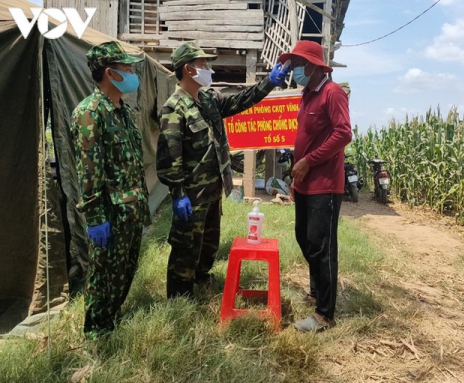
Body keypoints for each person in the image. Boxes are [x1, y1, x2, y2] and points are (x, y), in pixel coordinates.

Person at [156, 42, 290, 298]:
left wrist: (269, 83)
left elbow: (240, 102)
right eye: (203, 64)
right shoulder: (174, 107)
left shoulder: (208, 98)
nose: (208, 68)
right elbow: (169, 156)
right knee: (186, 245)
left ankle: (202, 277)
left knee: (209, 240)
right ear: (188, 69)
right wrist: (177, 193)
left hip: (212, 187)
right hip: (191, 193)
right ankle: (180, 297)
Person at [71, 41, 151, 339]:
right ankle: (96, 335)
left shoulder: (124, 112)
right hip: (109, 215)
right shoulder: (90, 112)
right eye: (127, 68)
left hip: (131, 210)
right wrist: (94, 216)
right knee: (103, 277)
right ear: (110, 73)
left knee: (123, 274)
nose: (132, 73)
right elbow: (88, 169)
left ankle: (112, 321)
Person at [279, 40, 352, 332]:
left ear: (312, 65)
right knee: (304, 238)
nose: (294, 69)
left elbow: (343, 133)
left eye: (297, 63)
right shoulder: (308, 94)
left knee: (322, 247)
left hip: (325, 185)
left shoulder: (332, 93)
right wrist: (299, 172)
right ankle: (316, 291)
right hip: (305, 183)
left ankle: (325, 314)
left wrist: (309, 160)